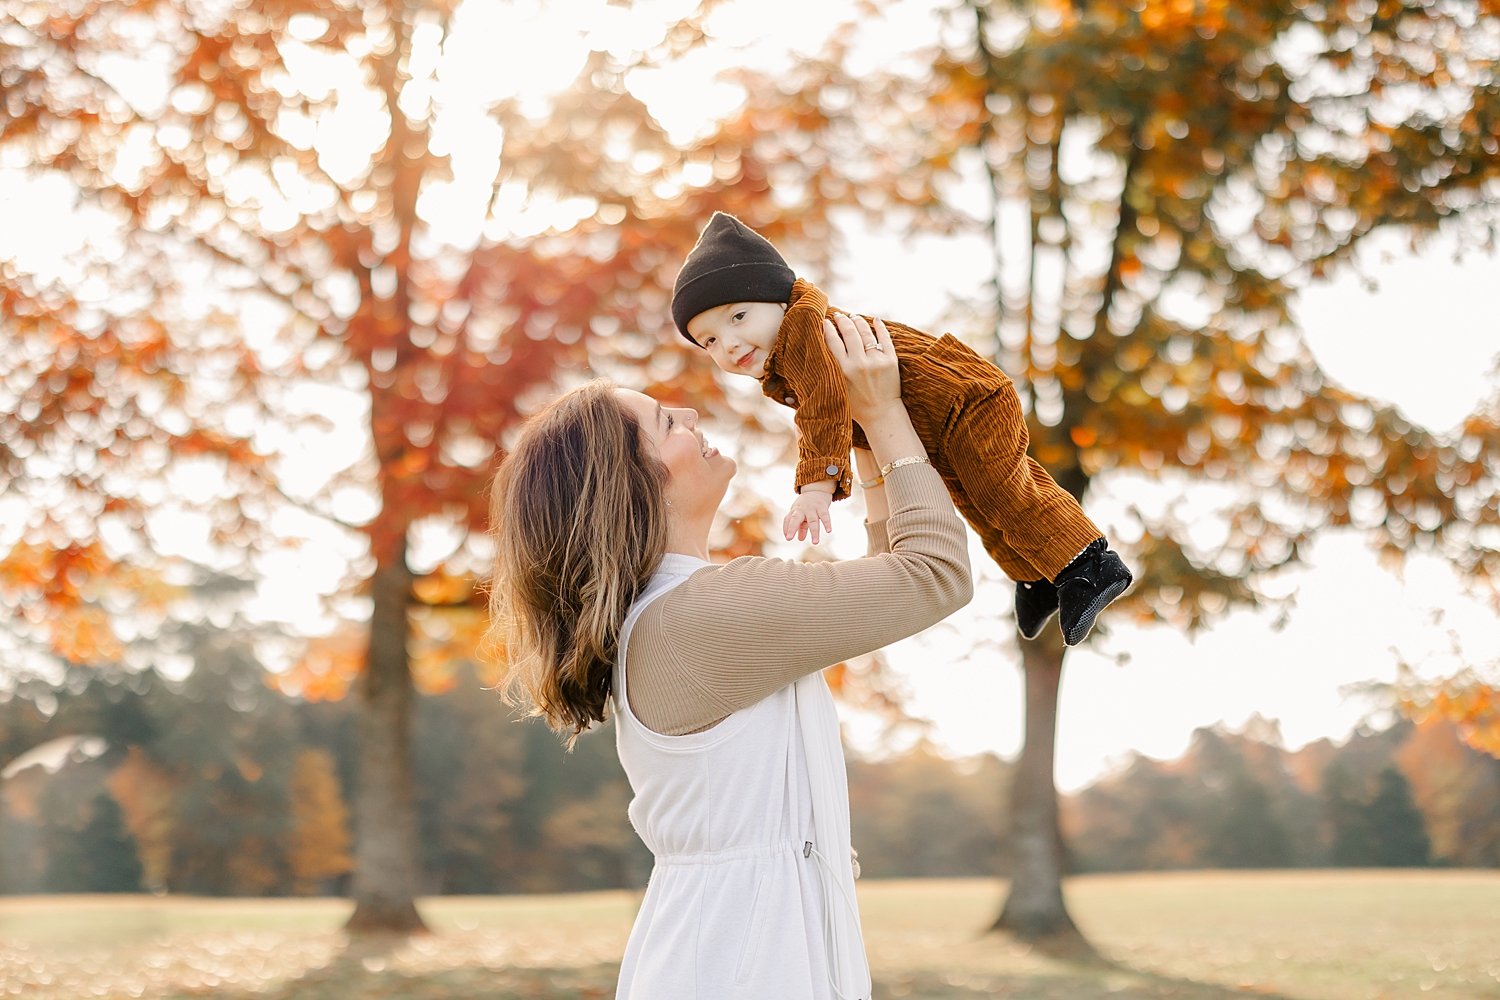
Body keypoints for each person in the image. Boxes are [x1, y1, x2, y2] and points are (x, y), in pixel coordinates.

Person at [487, 312, 972, 999]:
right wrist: (885, 411)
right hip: (747, 965)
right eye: (664, 424)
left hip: (722, 953)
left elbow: (895, 578)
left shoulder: (677, 617)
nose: (687, 411)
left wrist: (857, 435)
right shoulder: (704, 616)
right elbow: (934, 574)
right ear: (637, 485)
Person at [672, 212, 1133, 645]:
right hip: (937, 424)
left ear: (779, 298)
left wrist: (816, 486)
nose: (729, 343)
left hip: (964, 401)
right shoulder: (787, 353)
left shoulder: (804, 335)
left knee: (1000, 489)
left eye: (738, 317)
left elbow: (824, 407)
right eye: (709, 340)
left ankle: (1088, 562)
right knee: (973, 499)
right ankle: (1035, 572)